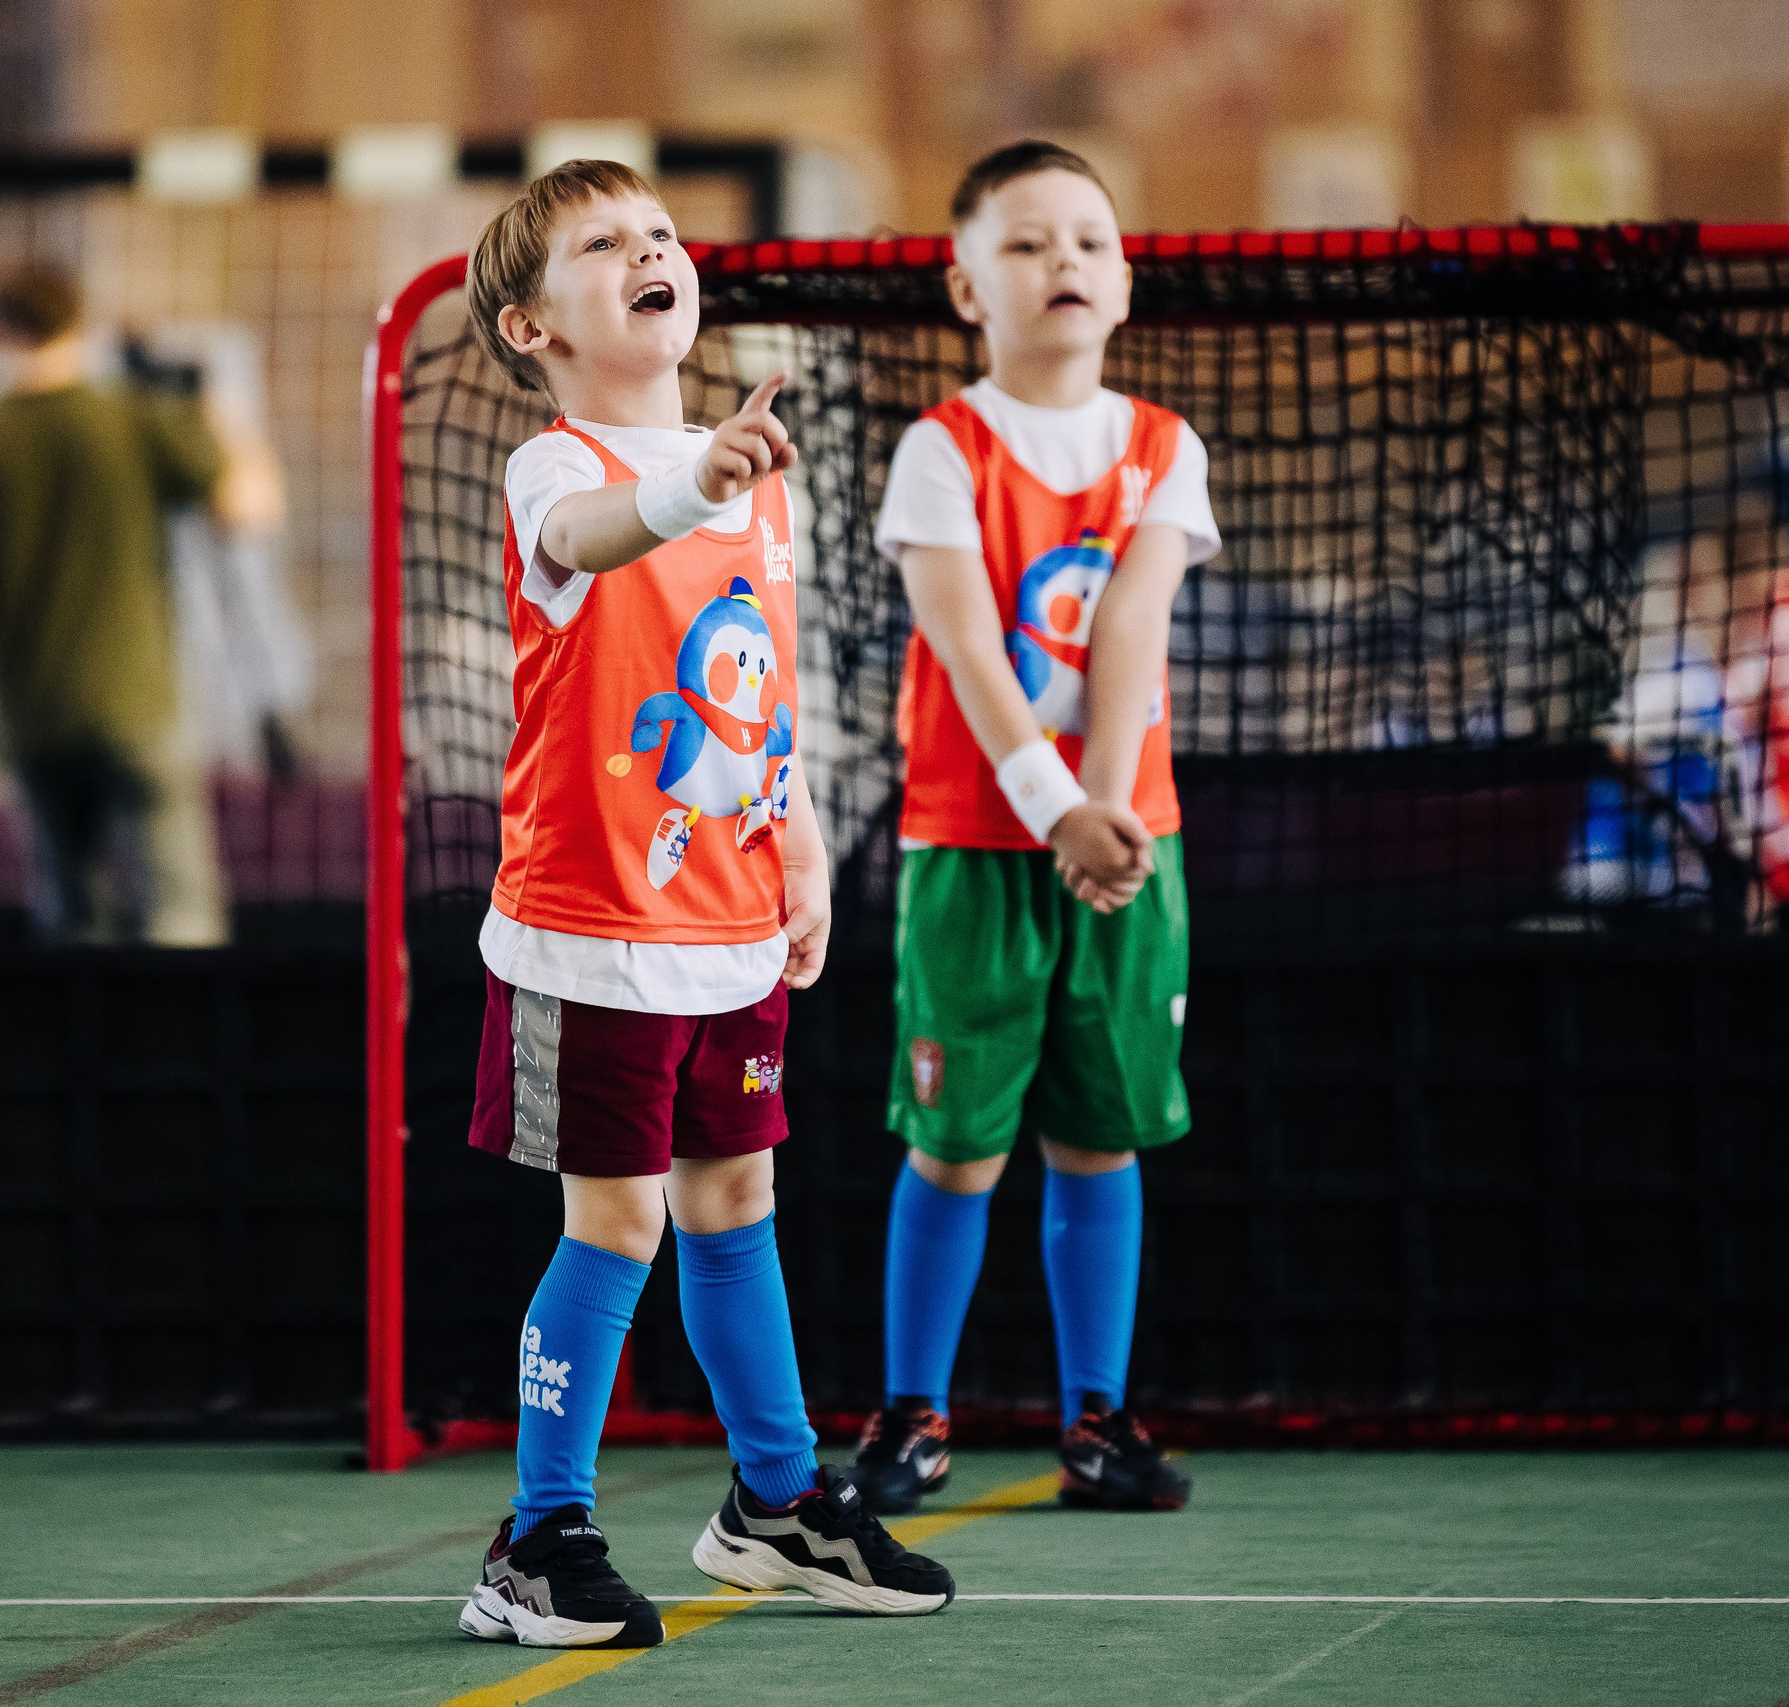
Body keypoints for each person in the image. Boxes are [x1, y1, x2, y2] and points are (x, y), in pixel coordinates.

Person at [454, 159, 952, 1650]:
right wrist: (698, 480)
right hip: (586, 926)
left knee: (739, 1200)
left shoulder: (758, 471)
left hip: (726, 920)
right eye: (602, 244)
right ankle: (537, 1540)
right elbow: (603, 541)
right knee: (614, 1225)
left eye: (659, 233)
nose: (647, 251)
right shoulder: (555, 471)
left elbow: (762, 690)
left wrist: (795, 842)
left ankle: (776, 1506)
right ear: (535, 328)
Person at [853, 141, 1217, 1515]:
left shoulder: (1161, 446)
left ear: (1122, 283)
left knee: (1100, 1136)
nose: (1062, 260)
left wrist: (1106, 811)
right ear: (965, 285)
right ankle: (912, 1415)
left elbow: (1132, 626)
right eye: (1025, 242)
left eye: (1088, 240)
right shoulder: (940, 451)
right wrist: (1055, 806)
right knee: (956, 1143)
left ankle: (1097, 1422)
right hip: (975, 845)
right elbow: (965, 648)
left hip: (1125, 847)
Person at [0, 261, 282, 944]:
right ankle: (180, 1047)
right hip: (138, 705)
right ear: (78, 324)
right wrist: (217, 405)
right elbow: (251, 507)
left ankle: (83, 1050)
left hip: (32, 714)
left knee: (70, 923)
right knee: (182, 915)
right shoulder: (135, 418)